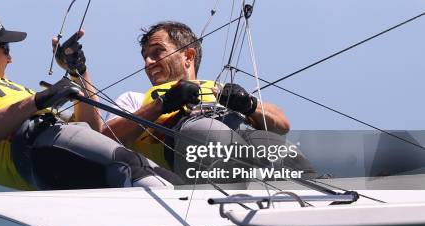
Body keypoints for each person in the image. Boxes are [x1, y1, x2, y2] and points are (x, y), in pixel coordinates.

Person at [0, 10, 183, 190]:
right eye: (6, 50)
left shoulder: (11, 88)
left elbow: (95, 131)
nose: (10, 59)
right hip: (39, 151)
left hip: (55, 153)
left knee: (141, 172)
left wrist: (78, 71)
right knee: (132, 167)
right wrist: (38, 101)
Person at [101, 20, 314, 182]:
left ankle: (320, 199)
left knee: (282, 150)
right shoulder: (135, 99)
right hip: (189, 143)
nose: (148, 62)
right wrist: (162, 105)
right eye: (145, 56)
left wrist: (249, 104)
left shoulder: (219, 89)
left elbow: (282, 124)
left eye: (158, 53)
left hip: (239, 138)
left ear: (188, 56)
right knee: (211, 135)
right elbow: (106, 137)